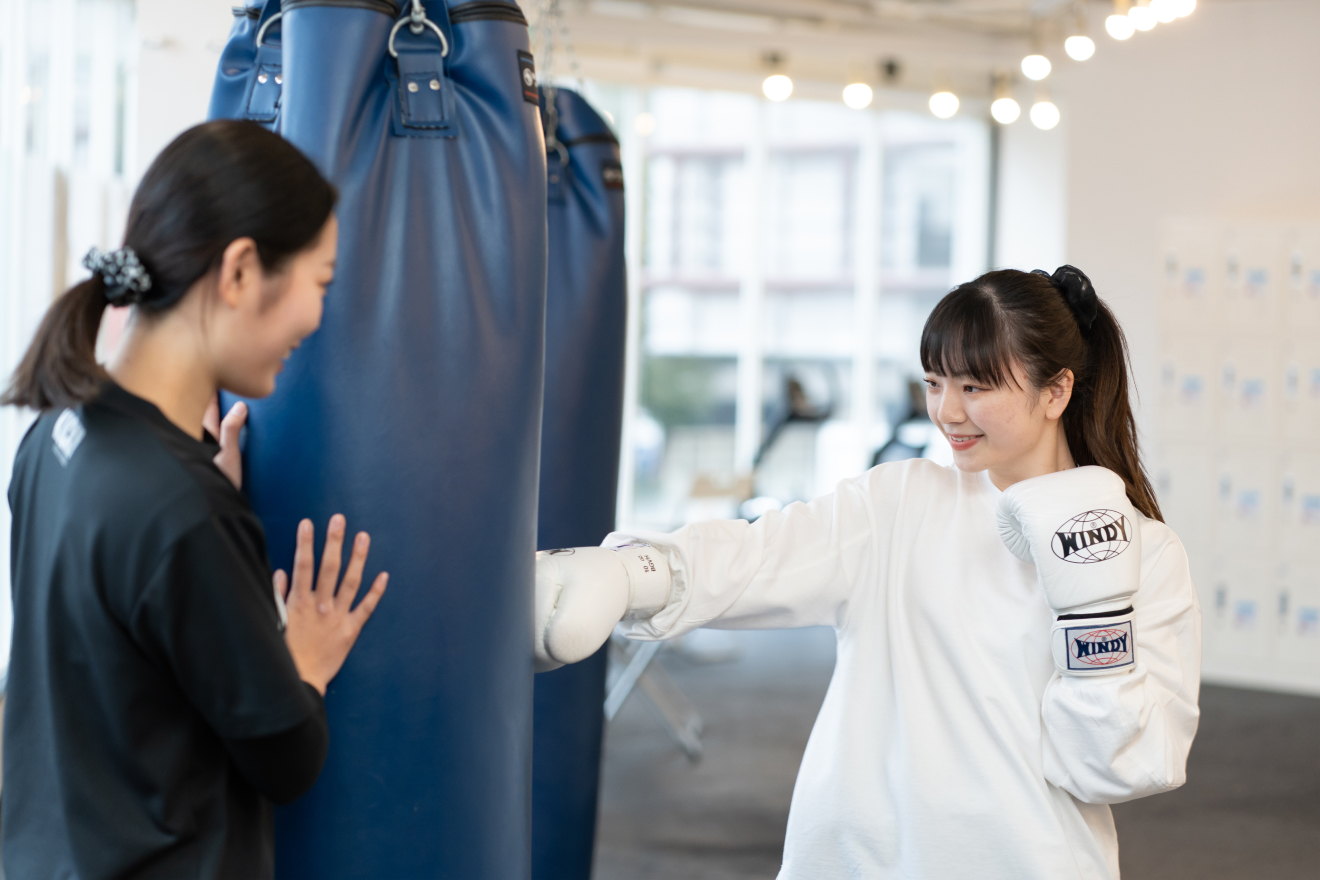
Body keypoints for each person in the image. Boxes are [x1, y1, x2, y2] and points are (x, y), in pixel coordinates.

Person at [534, 266, 1200, 879]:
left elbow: (1120, 767)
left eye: (975, 387)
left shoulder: (1147, 553)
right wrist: (631, 572)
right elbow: (760, 554)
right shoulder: (901, 501)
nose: (947, 411)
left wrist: (1094, 619)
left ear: (1056, 391)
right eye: (935, 383)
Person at [2, 120, 388, 880]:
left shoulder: (55, 436)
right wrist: (307, 661)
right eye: (319, 283)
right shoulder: (183, 510)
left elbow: (114, 662)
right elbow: (286, 758)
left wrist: (201, 489)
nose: (316, 318)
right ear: (240, 271)